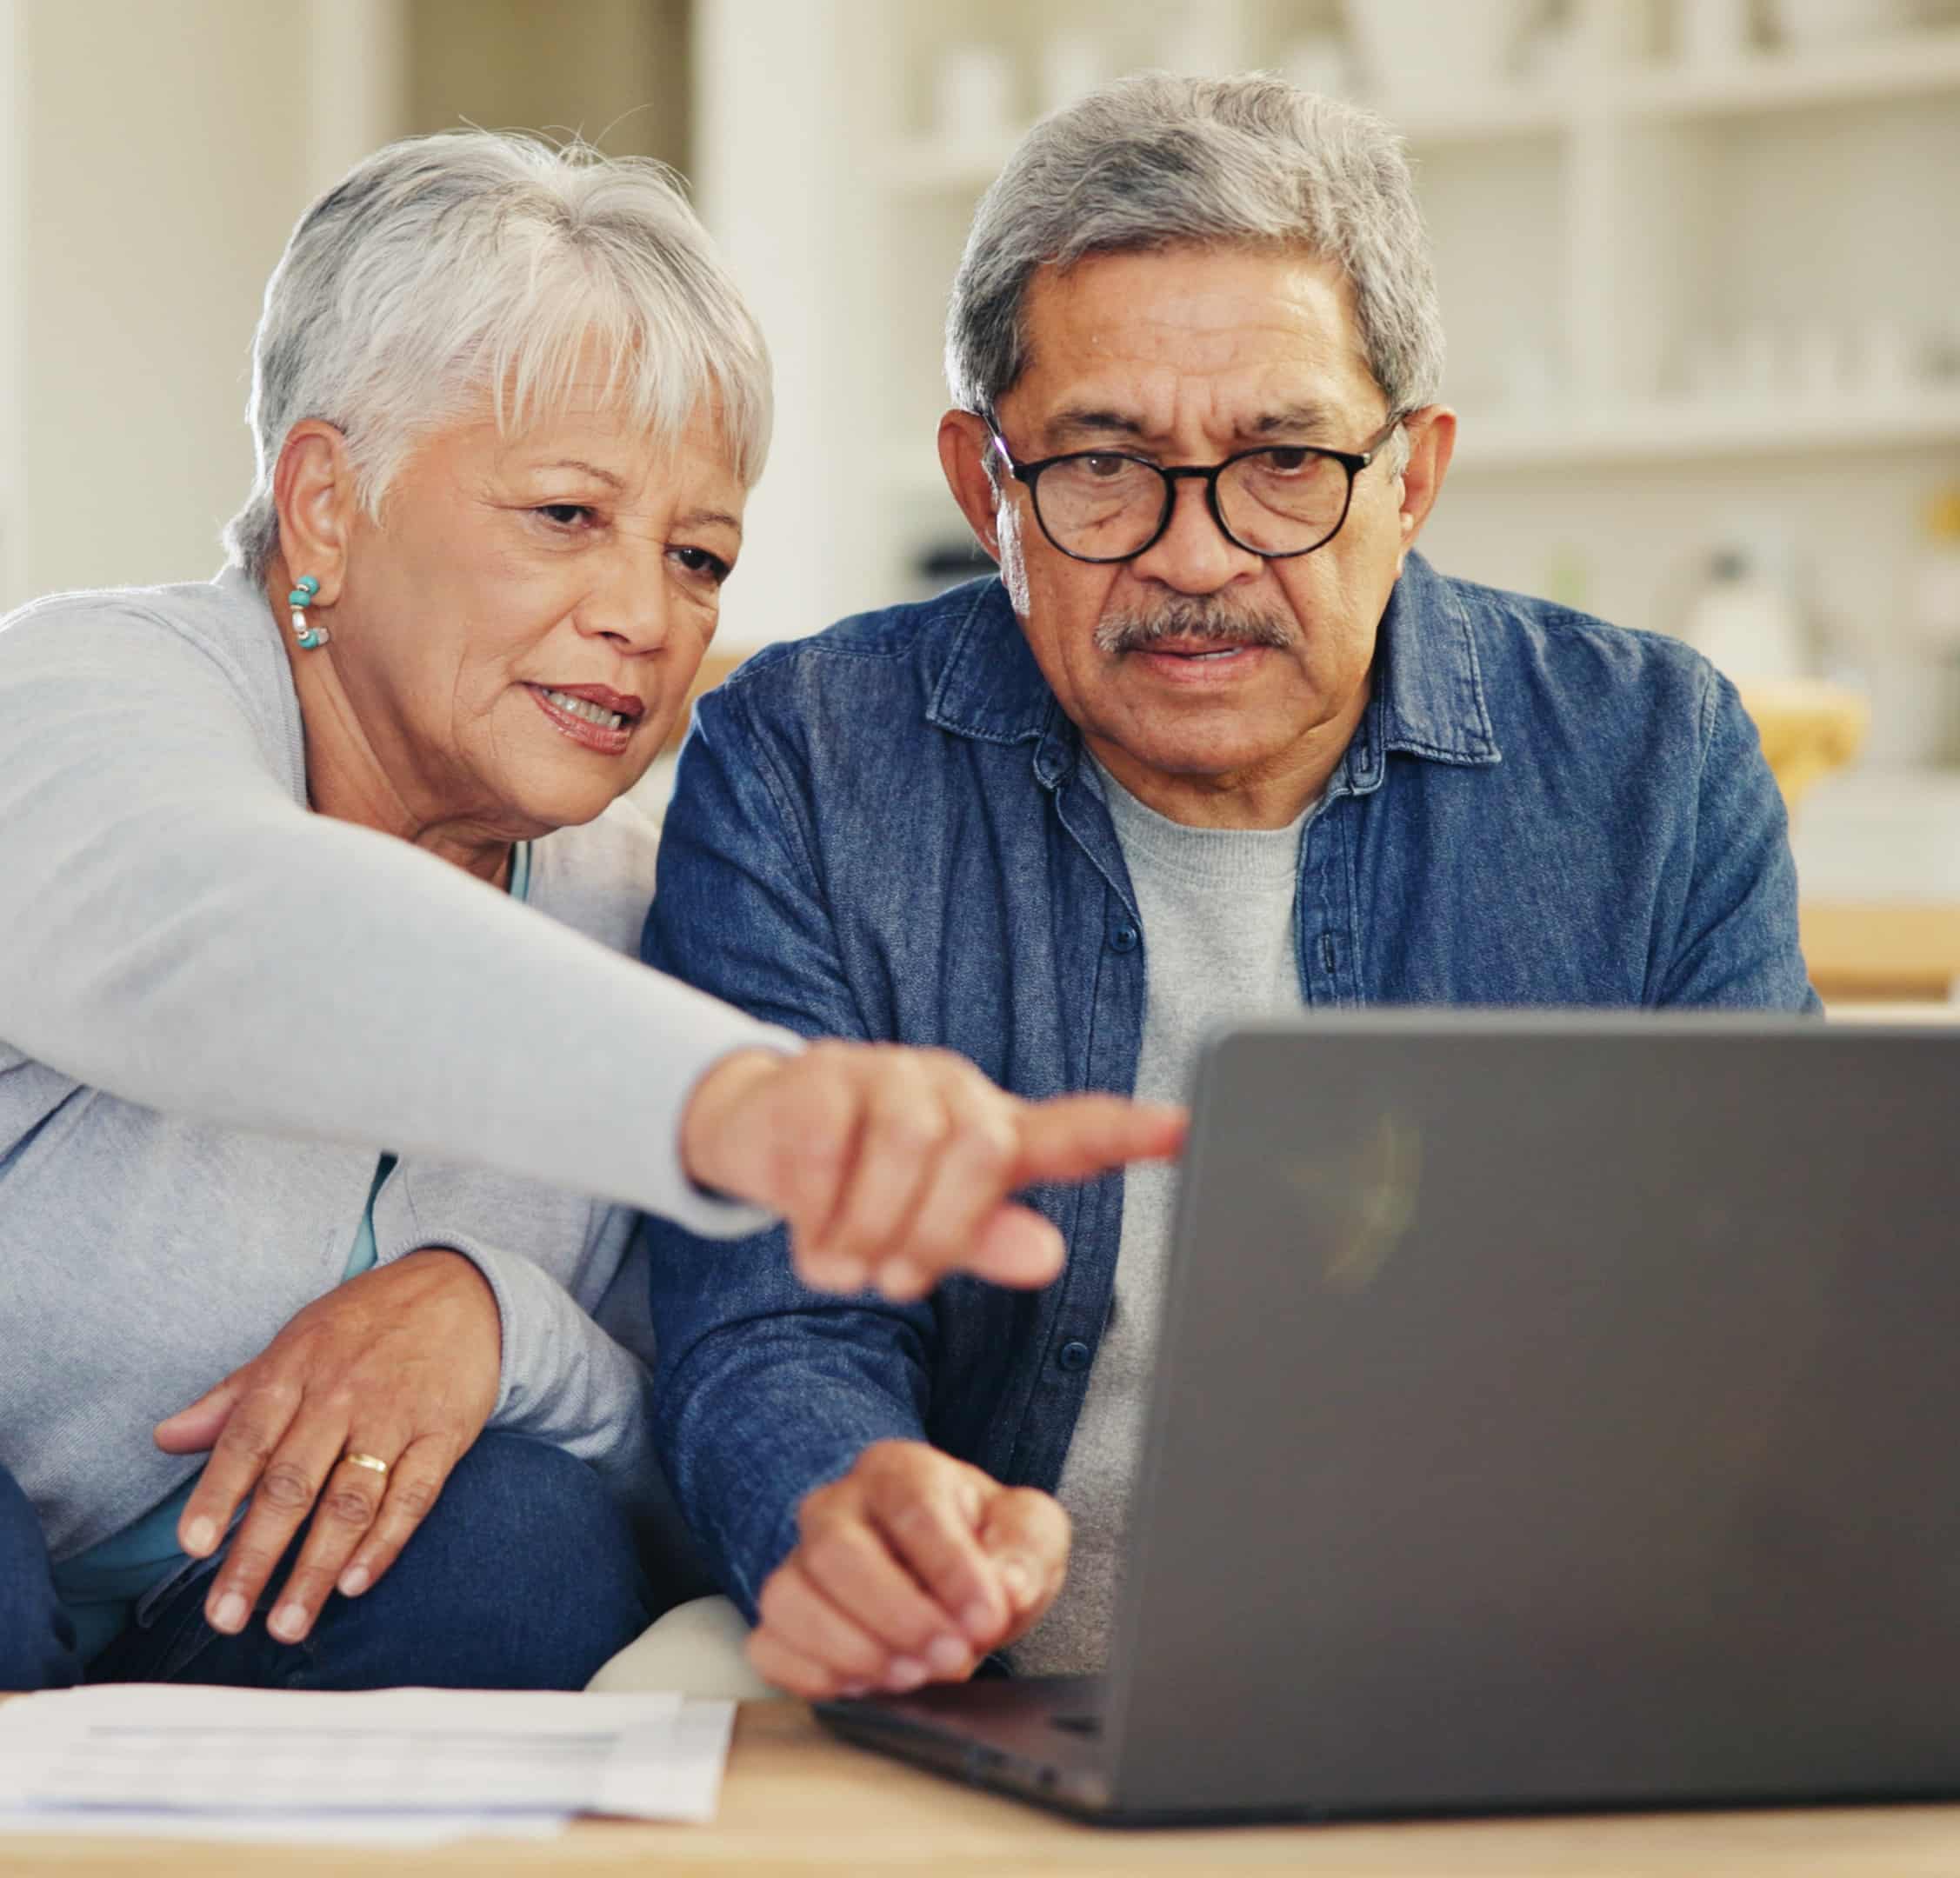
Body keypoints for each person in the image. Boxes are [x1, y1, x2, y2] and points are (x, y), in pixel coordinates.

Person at [640, 74, 1818, 1700]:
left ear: (1409, 478)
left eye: (1280, 461)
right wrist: (843, 1505)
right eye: (1103, 466)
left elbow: (1761, 1308)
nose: (1195, 558)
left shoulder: (1649, 760)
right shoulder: (804, 762)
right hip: (979, 1698)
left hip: (1513, 1692)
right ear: (987, 491)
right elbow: (765, 1323)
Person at [0, 130, 1183, 1695]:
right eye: (566, 515)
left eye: (697, 556)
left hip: (238, 1607)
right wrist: (735, 1102)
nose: (645, 617)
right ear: (326, 505)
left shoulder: (635, 900)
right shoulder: (82, 695)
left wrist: (499, 1322)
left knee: (527, 1541)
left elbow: (686, 1416)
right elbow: (217, 928)